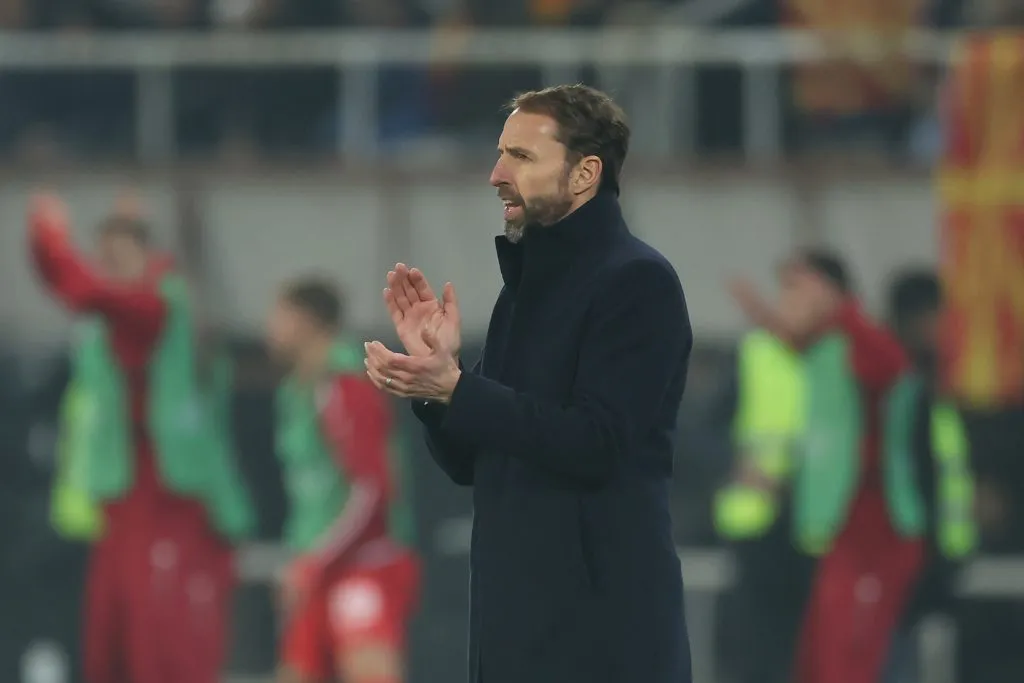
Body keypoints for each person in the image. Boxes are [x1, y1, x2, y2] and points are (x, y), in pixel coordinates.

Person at [364, 84, 693, 683]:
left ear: (585, 172)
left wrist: (460, 391)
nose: (495, 174)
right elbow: (473, 461)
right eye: (500, 153)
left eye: (521, 156)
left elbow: (597, 443)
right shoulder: (526, 292)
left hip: (599, 639)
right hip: (515, 631)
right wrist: (438, 386)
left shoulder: (637, 283)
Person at [28, 195, 254, 683]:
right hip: (120, 492)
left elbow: (87, 293)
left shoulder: (154, 304)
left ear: (145, 256)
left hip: (170, 493)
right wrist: (43, 243)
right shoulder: (108, 317)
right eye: (103, 260)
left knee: (162, 641)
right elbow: (73, 289)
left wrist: (53, 241)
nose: (108, 270)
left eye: (118, 257)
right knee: (108, 638)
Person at [729, 250, 926, 683]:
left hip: (879, 531)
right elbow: (793, 339)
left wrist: (839, 311)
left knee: (853, 661)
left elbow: (891, 368)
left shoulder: (863, 347)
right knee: (821, 660)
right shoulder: (816, 353)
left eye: (797, 292)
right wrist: (764, 314)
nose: (786, 303)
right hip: (840, 532)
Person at [266, 276, 420, 683]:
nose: (270, 327)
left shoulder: (344, 386)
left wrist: (316, 561)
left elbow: (372, 490)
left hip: (363, 564)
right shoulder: (297, 391)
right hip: (319, 566)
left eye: (280, 315)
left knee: (369, 672)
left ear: (308, 322)